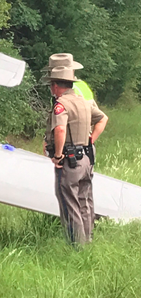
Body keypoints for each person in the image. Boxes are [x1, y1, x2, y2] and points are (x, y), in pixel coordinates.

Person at [43, 64, 108, 244]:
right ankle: (87, 241)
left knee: (69, 204)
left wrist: (58, 155)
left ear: (56, 85)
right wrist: (90, 140)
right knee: (85, 201)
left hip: (70, 161)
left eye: (51, 85)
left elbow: (60, 130)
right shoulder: (84, 102)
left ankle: (76, 246)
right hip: (87, 158)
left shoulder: (61, 105)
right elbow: (103, 118)